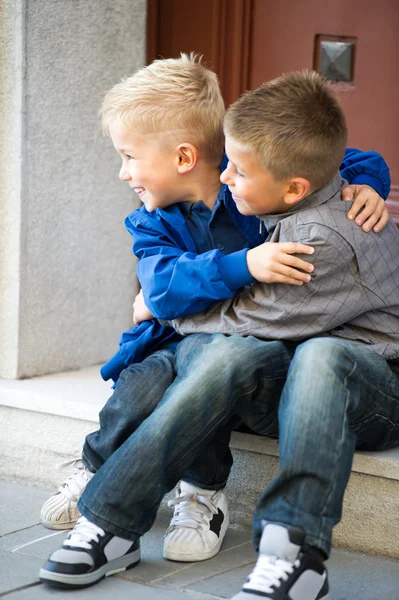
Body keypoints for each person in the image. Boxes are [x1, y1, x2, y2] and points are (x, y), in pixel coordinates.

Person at [38, 64, 396, 591]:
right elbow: (167, 285)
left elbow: (255, 313)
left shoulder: (318, 233)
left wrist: (364, 184)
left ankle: (289, 554)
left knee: (305, 353)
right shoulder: (227, 197)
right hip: (281, 371)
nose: (229, 178)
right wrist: (229, 271)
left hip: (367, 389)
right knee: (203, 358)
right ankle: (110, 519)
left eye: (130, 157)